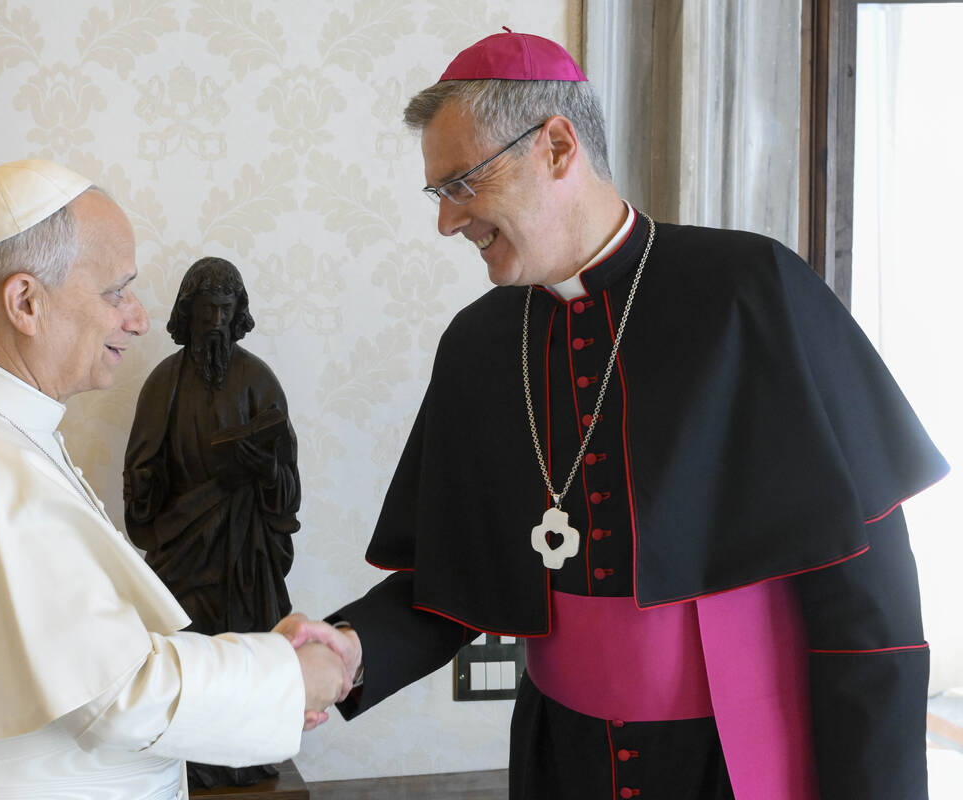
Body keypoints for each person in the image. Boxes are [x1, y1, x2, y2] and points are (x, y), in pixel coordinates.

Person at [322, 30, 948, 800]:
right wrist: (343, 654)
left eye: (462, 184)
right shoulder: (479, 343)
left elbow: (869, 601)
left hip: (736, 759)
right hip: (562, 763)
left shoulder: (750, 291)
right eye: (438, 194)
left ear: (557, 147)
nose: (448, 223)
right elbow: (448, 581)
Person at [0, 159, 350, 800]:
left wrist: (257, 658)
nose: (139, 318)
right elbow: (119, 693)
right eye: (115, 292)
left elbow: (88, 647)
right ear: (26, 302)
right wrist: (292, 677)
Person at [124, 256, 303, 788]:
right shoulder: (164, 383)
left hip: (246, 551)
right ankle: (188, 758)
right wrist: (145, 484)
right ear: (189, 312)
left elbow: (287, 487)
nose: (217, 322)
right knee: (186, 654)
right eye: (207, 310)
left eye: (226, 310)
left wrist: (264, 469)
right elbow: (141, 470)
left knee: (245, 651)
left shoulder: (258, 380)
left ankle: (244, 755)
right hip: (183, 546)